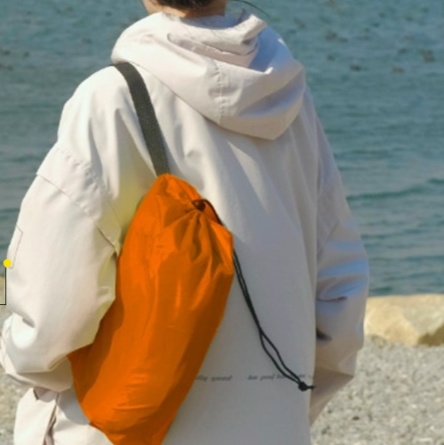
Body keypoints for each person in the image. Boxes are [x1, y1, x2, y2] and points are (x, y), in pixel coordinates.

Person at [0, 0, 369, 443]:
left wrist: (19, 353)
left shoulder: (113, 99)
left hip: (122, 428)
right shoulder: (291, 103)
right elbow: (340, 291)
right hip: (272, 425)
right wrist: (283, 405)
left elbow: (51, 307)